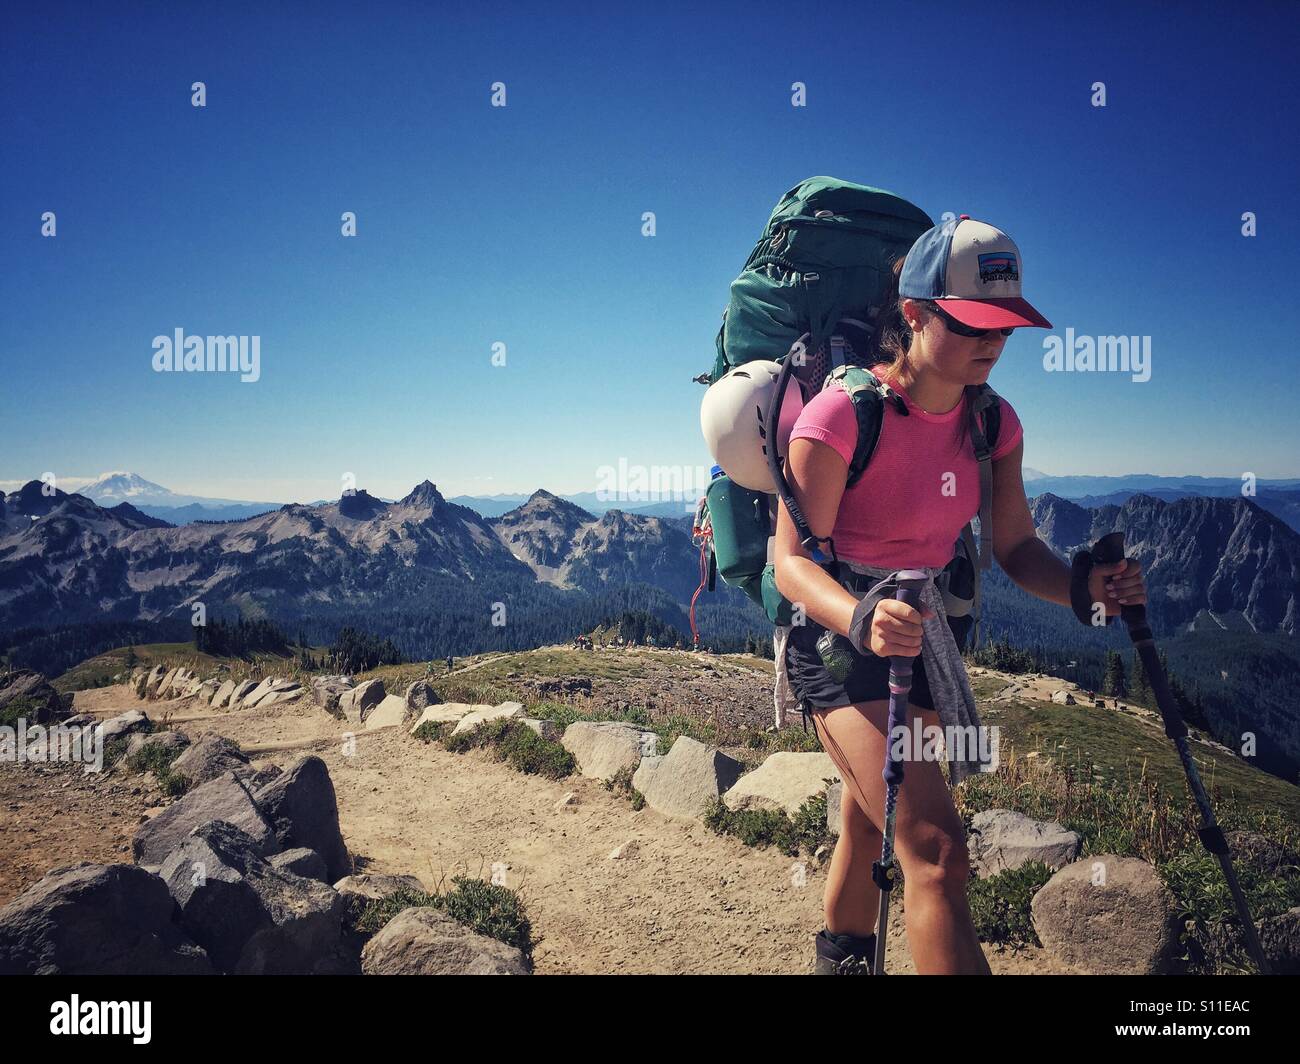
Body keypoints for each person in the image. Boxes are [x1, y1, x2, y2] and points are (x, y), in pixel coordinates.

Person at [773, 216, 1147, 975]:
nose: (994, 343)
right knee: (938, 852)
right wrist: (860, 617)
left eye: (1006, 327)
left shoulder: (992, 423)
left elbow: (1014, 547)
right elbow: (790, 563)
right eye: (975, 323)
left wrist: (1083, 588)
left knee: (871, 814)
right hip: (836, 642)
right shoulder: (842, 414)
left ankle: (840, 961)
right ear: (913, 313)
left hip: (929, 641)